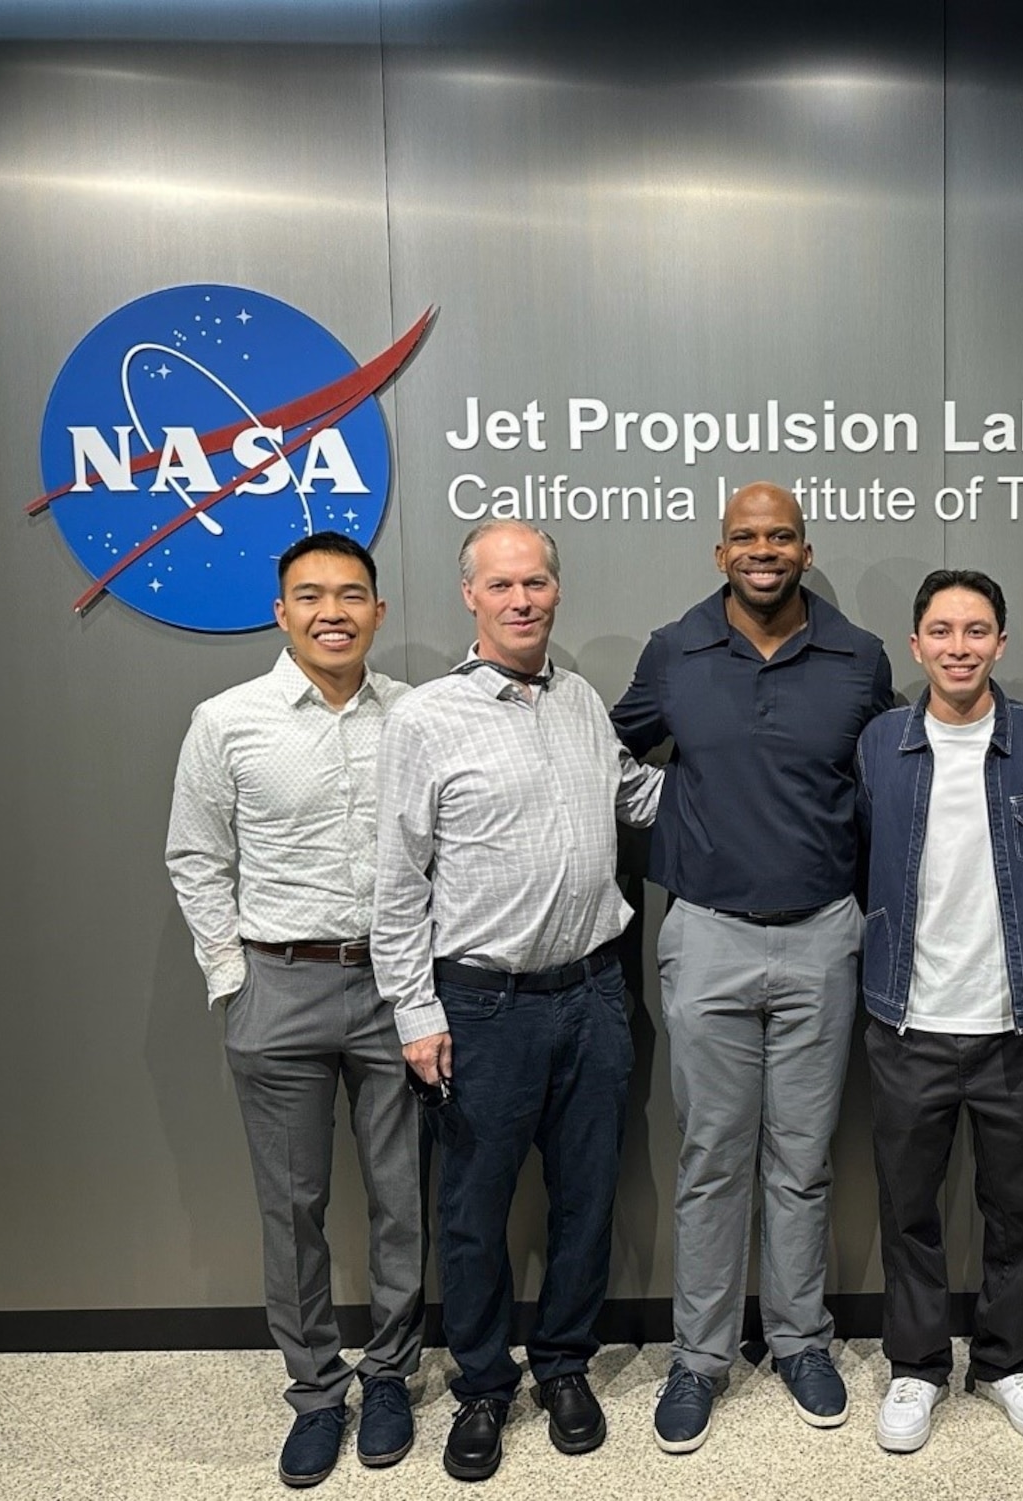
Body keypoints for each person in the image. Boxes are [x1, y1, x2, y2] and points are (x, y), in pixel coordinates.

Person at [371, 520, 663, 1482]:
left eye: (536, 580)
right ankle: (486, 1385)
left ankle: (566, 1364)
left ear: (556, 589)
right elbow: (396, 881)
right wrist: (416, 1012)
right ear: (470, 595)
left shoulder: (581, 700)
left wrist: (752, 768)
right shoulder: (424, 719)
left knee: (585, 1198)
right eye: (503, 584)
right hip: (482, 1008)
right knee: (474, 1210)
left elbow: (636, 796)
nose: (523, 598)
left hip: (593, 995)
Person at [611, 481, 893, 1453]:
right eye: (744, 535)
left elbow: (887, 778)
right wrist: (674, 810)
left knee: (803, 1158)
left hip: (822, 931)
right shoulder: (673, 650)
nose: (761, 549)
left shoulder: (858, 658)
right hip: (708, 933)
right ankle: (698, 1356)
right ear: (718, 549)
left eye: (779, 536)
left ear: (805, 550)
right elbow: (598, 749)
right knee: (709, 1157)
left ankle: (799, 1338)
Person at [165, 532, 421, 1488]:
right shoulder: (227, 720)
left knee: (401, 1198)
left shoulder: (415, 717)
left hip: (396, 985)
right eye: (310, 595)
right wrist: (233, 978)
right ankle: (317, 1392)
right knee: (294, 1205)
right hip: (277, 984)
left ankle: (390, 1373)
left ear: (379, 611)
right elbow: (196, 856)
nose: (332, 611)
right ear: (281, 612)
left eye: (351, 594)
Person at [854, 569, 1023, 1454]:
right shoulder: (880, 744)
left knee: (1021, 1204)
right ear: (916, 645)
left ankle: (1006, 1360)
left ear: (1001, 642)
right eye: (942, 631)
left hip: (1016, 1023)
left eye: (978, 629)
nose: (960, 646)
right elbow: (858, 857)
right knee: (908, 1205)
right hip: (907, 1021)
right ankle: (915, 1369)